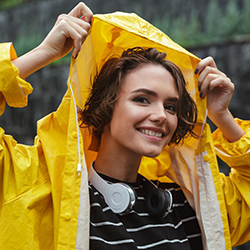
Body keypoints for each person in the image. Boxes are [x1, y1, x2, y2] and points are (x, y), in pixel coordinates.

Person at [0, 2, 250, 250]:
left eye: (171, 106)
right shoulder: (40, 192)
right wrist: (44, 52)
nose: (161, 115)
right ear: (105, 105)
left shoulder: (189, 203)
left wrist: (222, 117)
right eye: (142, 99)